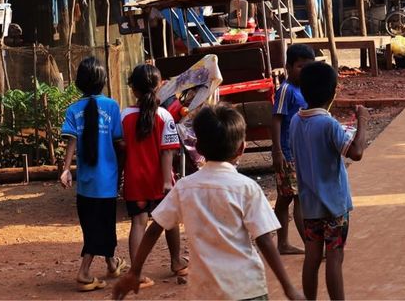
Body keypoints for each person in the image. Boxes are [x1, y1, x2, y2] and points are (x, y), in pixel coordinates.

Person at [112, 104, 303, 301]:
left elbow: (154, 229)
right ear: (242, 148)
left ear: (199, 148)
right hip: (246, 288)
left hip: (204, 292)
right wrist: (288, 288)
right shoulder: (247, 188)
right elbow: (264, 240)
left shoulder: (185, 187)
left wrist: (134, 272)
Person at [289, 61, 368, 301]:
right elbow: (356, 152)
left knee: (312, 257)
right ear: (333, 91)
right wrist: (362, 120)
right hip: (334, 206)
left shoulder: (295, 121)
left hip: (310, 205)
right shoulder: (328, 124)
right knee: (335, 256)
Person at [59, 57, 125, 291]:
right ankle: (84, 272)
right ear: (103, 81)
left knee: (93, 225)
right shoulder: (112, 106)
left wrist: (66, 169)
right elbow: (119, 141)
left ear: (79, 82)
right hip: (107, 180)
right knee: (103, 227)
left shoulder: (73, 110)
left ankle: (112, 263)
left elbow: (71, 141)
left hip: (86, 184)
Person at [120, 64, 186, 290]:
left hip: (135, 180)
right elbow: (167, 150)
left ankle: (136, 273)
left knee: (138, 223)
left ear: (133, 89)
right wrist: (167, 181)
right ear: (159, 87)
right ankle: (176, 262)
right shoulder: (164, 116)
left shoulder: (125, 116)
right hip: (160, 179)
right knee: (170, 222)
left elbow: (121, 146)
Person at [272, 44, 316, 256]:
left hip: (302, 151)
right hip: (289, 153)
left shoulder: (306, 88)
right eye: (300, 66)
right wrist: (277, 151)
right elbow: (277, 120)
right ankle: (310, 245)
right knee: (298, 198)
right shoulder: (286, 90)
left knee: (285, 198)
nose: (304, 71)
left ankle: (282, 243)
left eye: (308, 67)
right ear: (288, 67)